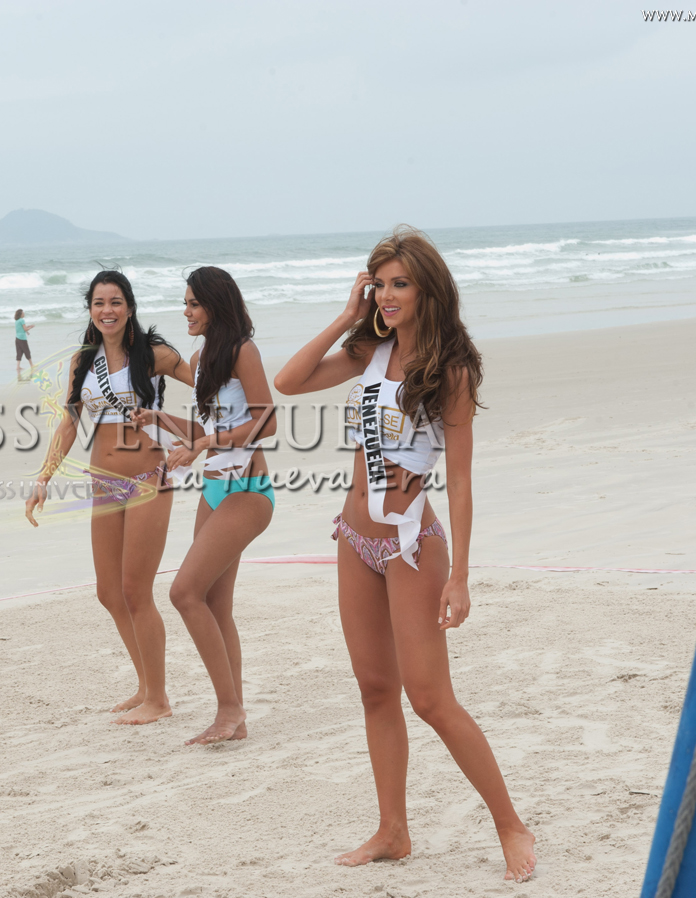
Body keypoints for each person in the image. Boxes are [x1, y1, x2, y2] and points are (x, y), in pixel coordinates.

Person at [273, 228, 536, 882]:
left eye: (401, 284)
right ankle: (393, 831)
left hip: (412, 545)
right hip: (354, 538)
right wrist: (347, 315)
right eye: (380, 284)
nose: (388, 296)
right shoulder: (369, 350)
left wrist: (462, 577)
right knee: (374, 690)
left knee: (430, 699)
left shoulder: (450, 370)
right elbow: (288, 381)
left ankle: (510, 824)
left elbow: (462, 481)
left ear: (428, 291)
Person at [25, 271, 190, 724]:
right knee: (109, 592)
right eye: (98, 303)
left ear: (129, 307)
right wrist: (44, 477)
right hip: (104, 484)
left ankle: (159, 699)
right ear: (91, 310)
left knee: (136, 590)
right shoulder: (83, 361)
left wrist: (199, 438)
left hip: (147, 481)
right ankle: (145, 685)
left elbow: (212, 384)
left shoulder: (155, 354)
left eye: (115, 302)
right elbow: (69, 424)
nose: (107, 310)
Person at [130, 267, 276, 745]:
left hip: (247, 491)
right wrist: (160, 418)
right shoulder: (200, 357)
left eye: (193, 303)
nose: (186, 312)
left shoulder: (242, 351)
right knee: (214, 603)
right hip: (215, 490)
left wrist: (204, 443)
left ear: (215, 305)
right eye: (185, 303)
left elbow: (266, 424)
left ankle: (229, 709)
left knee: (184, 592)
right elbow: (207, 431)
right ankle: (235, 717)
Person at [15, 308, 35, 380]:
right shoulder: (22, 320)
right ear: (20, 314)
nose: (24, 314)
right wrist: (30, 328)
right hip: (22, 339)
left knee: (19, 352)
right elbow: (25, 329)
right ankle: (32, 365)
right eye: (23, 313)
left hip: (17, 339)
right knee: (27, 351)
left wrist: (28, 328)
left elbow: (22, 329)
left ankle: (18, 367)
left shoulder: (17, 321)